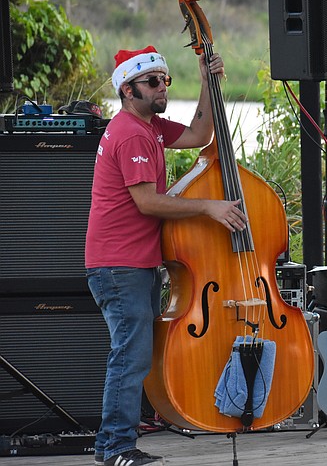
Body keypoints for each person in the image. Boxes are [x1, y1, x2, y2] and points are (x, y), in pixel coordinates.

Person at [86, 46, 248, 466]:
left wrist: (206, 79)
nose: (162, 88)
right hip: (119, 265)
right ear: (127, 88)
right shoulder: (132, 133)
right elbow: (147, 202)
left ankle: (110, 446)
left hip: (131, 263)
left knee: (131, 354)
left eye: (165, 80)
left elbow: (200, 135)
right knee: (131, 355)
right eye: (152, 82)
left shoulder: (151, 126)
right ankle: (119, 448)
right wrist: (209, 207)